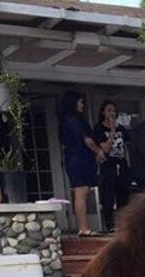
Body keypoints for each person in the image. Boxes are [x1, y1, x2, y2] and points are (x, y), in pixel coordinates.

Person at [59, 90, 107, 236]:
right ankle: (83, 227)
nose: (82, 105)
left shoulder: (68, 121)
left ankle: (84, 226)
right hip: (78, 158)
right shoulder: (72, 120)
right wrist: (98, 151)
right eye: (80, 102)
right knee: (81, 191)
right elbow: (87, 140)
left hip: (80, 157)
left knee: (84, 191)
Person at [94, 100, 130, 232]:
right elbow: (106, 148)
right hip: (108, 164)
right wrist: (112, 131)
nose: (112, 113)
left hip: (121, 164)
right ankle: (110, 224)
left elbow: (126, 148)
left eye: (114, 111)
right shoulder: (99, 128)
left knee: (123, 194)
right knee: (108, 194)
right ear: (103, 112)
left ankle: (123, 223)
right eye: (109, 110)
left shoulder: (122, 129)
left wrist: (128, 164)